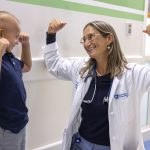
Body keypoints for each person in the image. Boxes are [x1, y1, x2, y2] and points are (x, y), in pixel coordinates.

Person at [43, 19, 150, 150]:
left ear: (109, 38)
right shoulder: (82, 68)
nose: (87, 43)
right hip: (80, 144)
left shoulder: (132, 74)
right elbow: (55, 65)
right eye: (84, 39)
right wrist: (51, 34)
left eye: (91, 37)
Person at [0, 11, 32, 150]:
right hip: (5, 127)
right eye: (16, 37)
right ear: (1, 34)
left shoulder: (10, 58)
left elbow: (27, 66)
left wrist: (26, 45)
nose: (17, 41)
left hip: (20, 122)